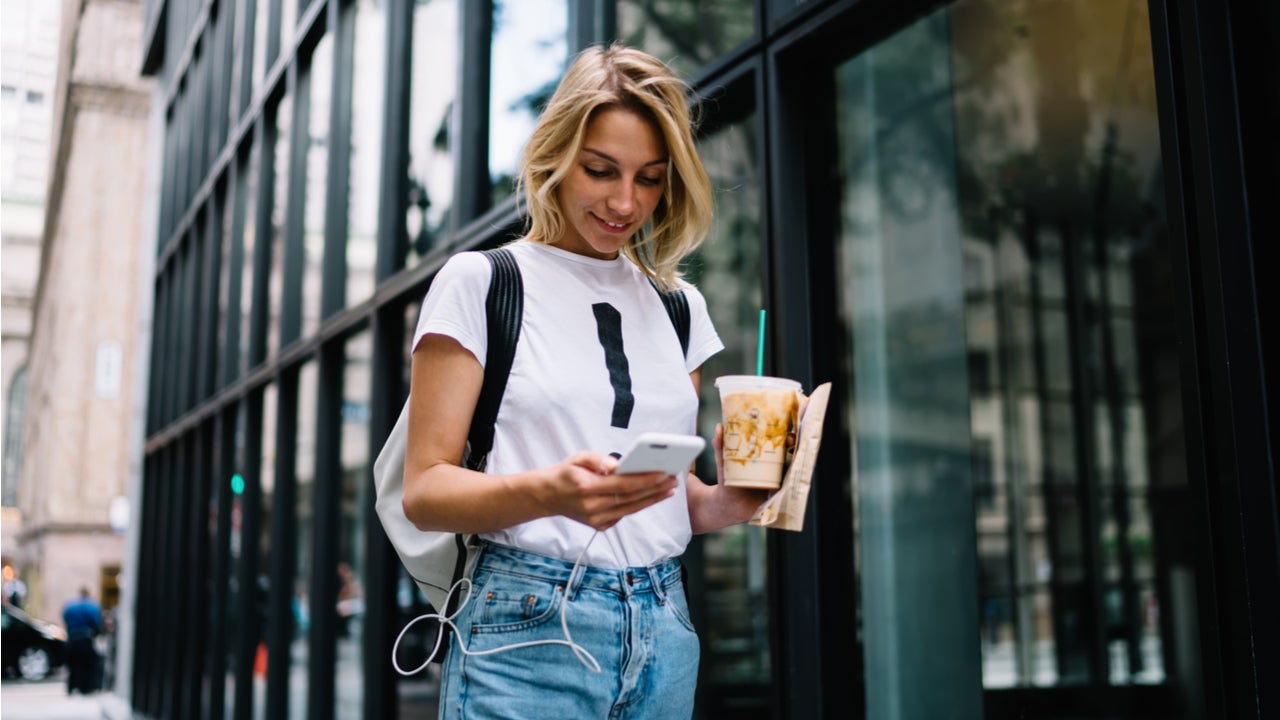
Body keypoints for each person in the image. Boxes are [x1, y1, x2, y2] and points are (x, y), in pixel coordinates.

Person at [402, 43, 767, 719]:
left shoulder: (679, 306)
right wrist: (549, 492)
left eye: (651, 179)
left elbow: (663, 497)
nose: (626, 202)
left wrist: (723, 504)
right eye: (602, 171)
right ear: (558, 157)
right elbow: (424, 490)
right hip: (524, 630)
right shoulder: (482, 284)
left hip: (662, 626)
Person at [62, 586, 104, 694]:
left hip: (72, 639)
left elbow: (65, 619)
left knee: (73, 665)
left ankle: (72, 687)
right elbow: (97, 622)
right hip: (86, 639)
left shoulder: (70, 605)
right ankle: (86, 687)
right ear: (88, 594)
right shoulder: (92, 606)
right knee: (88, 664)